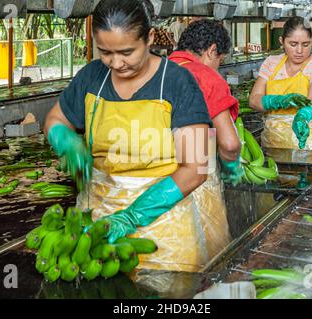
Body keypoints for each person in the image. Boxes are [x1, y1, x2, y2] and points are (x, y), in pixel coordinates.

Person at [44, 0, 228, 274]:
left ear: (150, 38)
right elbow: (56, 118)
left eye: (126, 52)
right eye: (105, 51)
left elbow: (195, 169)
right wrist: (64, 139)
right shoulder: (93, 77)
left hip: (166, 230)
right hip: (99, 224)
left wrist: (132, 216)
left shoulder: (177, 82)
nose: (116, 63)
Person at [168, 19, 243, 186]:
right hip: (196, 184)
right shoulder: (208, 77)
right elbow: (229, 144)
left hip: (158, 184)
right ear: (212, 50)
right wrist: (231, 167)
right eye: (220, 61)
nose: (217, 68)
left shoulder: (157, 69)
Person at [249, 17, 312, 151]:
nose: (299, 51)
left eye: (306, 44)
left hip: (310, 142)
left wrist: (303, 116)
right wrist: (278, 101)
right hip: (274, 143)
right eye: (293, 44)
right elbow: (254, 100)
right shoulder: (271, 63)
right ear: (281, 41)